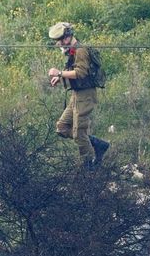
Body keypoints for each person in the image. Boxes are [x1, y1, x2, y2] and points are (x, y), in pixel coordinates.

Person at [47, 21, 109, 169]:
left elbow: (81, 72)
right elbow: (74, 71)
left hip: (85, 95)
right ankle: (98, 145)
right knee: (62, 127)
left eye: (61, 40)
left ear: (68, 36)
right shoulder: (72, 51)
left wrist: (59, 73)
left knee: (79, 133)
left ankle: (89, 167)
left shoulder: (80, 50)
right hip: (76, 95)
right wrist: (61, 77)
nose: (59, 44)